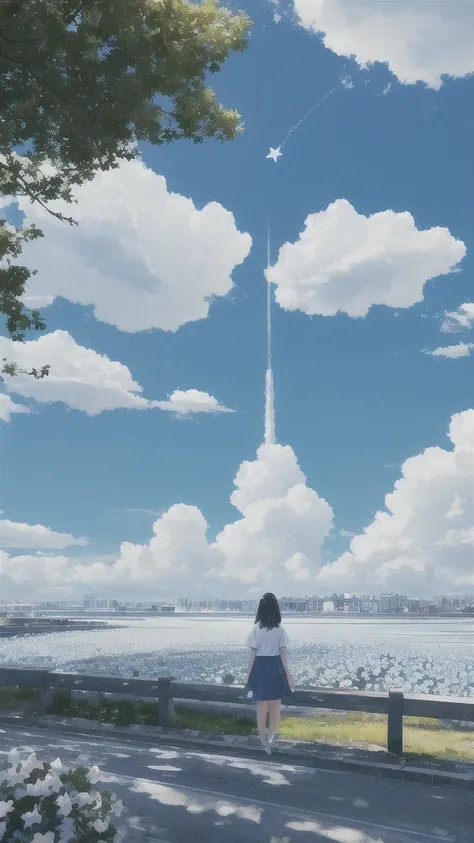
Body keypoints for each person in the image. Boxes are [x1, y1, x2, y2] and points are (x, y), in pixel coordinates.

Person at [245, 592, 294, 754]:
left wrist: (248, 675)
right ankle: (271, 740)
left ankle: (262, 739)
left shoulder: (255, 629)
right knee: (275, 706)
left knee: (261, 706)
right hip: (275, 667)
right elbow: (284, 654)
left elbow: (252, 654)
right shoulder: (280, 630)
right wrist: (288, 673)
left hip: (260, 667)